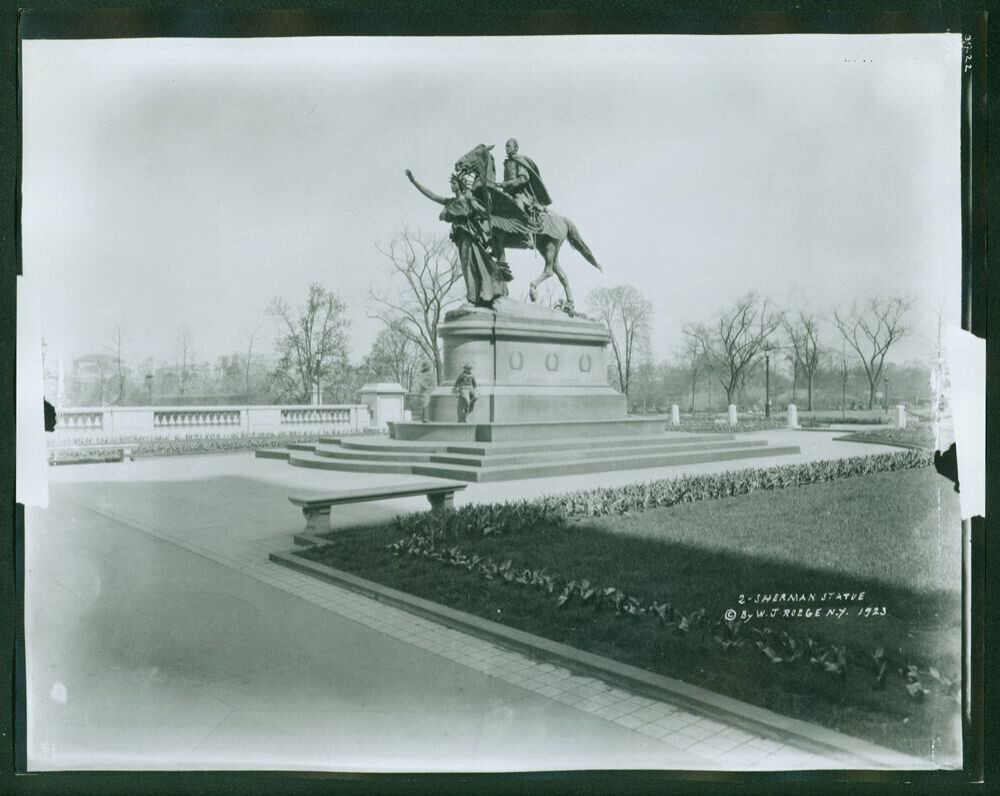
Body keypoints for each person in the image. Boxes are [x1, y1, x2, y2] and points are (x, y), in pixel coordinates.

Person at [501, 138, 552, 226]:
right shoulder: (507, 162)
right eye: (506, 146)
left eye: (508, 146)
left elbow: (524, 178)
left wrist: (507, 183)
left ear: (515, 147)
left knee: (518, 210)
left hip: (520, 194)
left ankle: (526, 235)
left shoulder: (519, 160)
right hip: (508, 192)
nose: (506, 148)